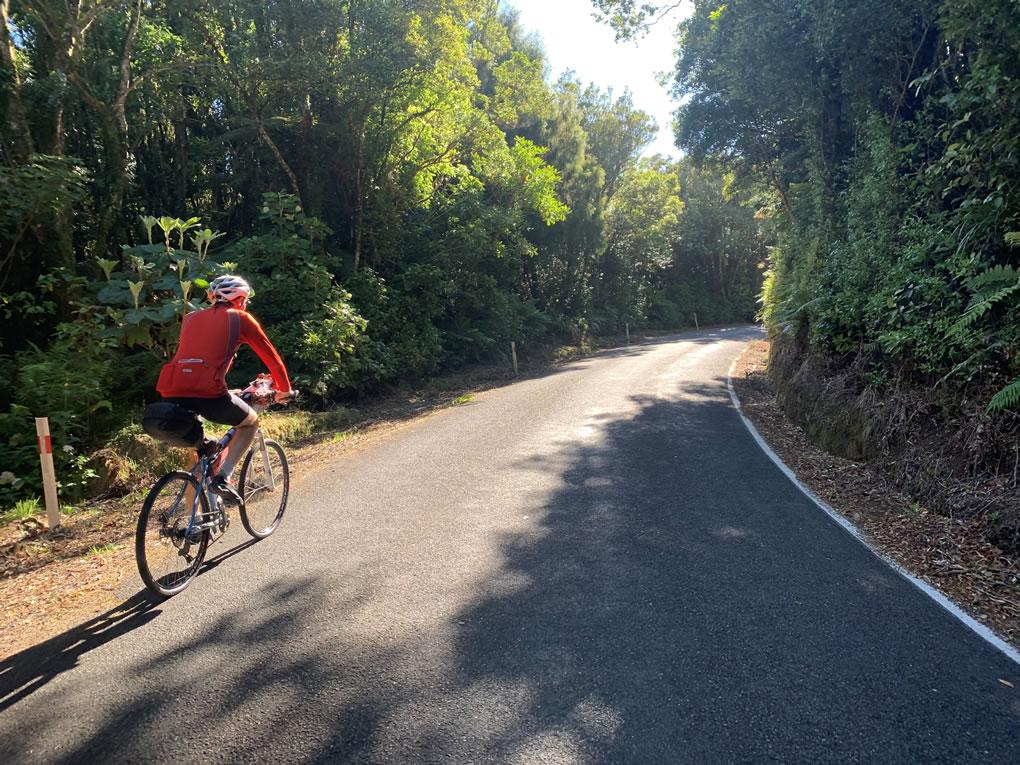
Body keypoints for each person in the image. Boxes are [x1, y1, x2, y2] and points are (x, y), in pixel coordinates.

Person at [155, 274, 292, 505]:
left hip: (173, 392)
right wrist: (285, 389)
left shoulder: (190, 319)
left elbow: (198, 358)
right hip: (209, 393)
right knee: (250, 422)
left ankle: (195, 519)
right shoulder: (241, 318)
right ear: (240, 298)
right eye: (245, 299)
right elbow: (272, 358)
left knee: (201, 450)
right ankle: (223, 478)